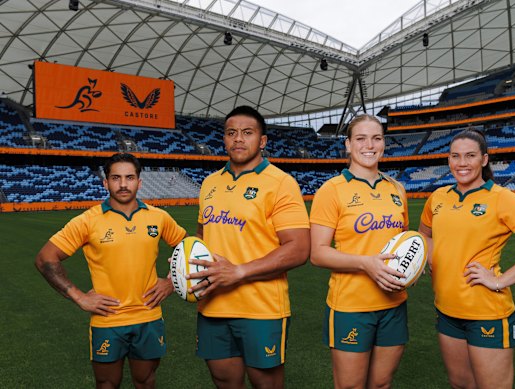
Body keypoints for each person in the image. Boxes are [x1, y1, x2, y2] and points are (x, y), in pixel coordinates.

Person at [418, 129, 515, 389]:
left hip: (487, 313)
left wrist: (500, 281)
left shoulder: (502, 198)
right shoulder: (438, 198)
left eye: (470, 156)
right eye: (455, 156)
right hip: (446, 310)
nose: (462, 163)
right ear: (448, 160)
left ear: (484, 160)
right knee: (460, 384)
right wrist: (428, 254)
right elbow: (424, 233)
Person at [35, 153, 187, 389]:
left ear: (139, 182)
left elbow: (189, 248)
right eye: (116, 178)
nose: (123, 184)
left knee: (146, 381)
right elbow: (45, 258)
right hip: (107, 319)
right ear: (106, 183)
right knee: (107, 383)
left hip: (148, 316)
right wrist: (79, 297)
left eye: (129, 177)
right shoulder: (88, 221)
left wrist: (171, 282)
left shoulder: (159, 218)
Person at [187, 105, 310, 388]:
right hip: (212, 305)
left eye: (247, 132)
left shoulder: (281, 183)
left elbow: (299, 248)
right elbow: (200, 238)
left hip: (261, 308)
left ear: (262, 141)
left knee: (265, 383)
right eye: (231, 133)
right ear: (224, 139)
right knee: (223, 380)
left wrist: (239, 271)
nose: (238, 139)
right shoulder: (209, 183)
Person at [309, 114, 409, 389]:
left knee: (381, 384)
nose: (369, 145)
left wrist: (415, 261)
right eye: (361, 138)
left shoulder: (396, 189)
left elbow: (403, 242)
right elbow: (317, 253)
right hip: (350, 306)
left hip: (394, 304)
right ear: (348, 145)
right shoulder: (331, 191)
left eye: (376, 138)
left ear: (383, 143)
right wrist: (366, 263)